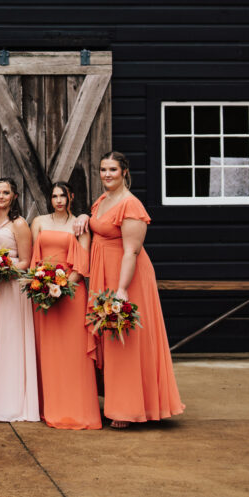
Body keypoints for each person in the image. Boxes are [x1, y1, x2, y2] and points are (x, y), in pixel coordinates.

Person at [76, 151, 184, 428]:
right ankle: (117, 401)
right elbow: (96, 225)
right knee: (110, 338)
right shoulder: (102, 200)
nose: (107, 174)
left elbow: (131, 251)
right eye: (102, 169)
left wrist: (122, 289)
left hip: (127, 276)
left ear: (124, 171)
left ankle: (128, 408)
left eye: (112, 169)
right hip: (104, 273)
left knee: (124, 340)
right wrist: (81, 216)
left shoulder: (131, 205)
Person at [30, 182, 101, 430]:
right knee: (48, 353)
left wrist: (61, 286)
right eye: (54, 196)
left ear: (71, 197)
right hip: (44, 295)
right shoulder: (38, 222)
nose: (59, 200)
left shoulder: (80, 225)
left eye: (63, 195)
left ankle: (78, 409)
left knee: (73, 353)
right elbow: (33, 260)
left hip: (70, 293)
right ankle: (49, 406)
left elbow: (82, 263)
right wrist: (44, 285)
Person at [0, 177, 39, 422]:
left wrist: (4, 270)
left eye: (6, 192)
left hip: (12, 287)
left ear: (14, 196)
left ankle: (14, 401)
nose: (1, 196)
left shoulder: (19, 223)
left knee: (11, 339)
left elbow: (27, 261)